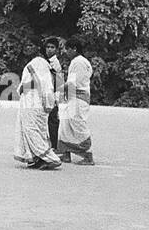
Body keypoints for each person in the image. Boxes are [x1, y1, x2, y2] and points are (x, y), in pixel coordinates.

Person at [13, 42, 61, 169]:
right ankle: (37, 158)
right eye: (26, 46)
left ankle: (50, 158)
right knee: (30, 129)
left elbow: (42, 83)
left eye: (31, 45)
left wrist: (24, 87)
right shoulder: (36, 62)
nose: (28, 48)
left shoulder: (39, 62)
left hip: (35, 102)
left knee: (32, 129)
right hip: (29, 100)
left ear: (37, 47)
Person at [57, 35, 94, 164]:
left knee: (77, 123)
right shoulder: (78, 61)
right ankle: (65, 153)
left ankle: (87, 154)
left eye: (67, 49)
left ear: (74, 49)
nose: (65, 52)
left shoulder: (79, 62)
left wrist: (58, 90)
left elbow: (74, 83)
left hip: (79, 98)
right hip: (72, 97)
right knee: (65, 124)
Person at [43, 37, 62, 150]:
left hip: (52, 95)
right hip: (46, 94)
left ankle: (55, 146)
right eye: (48, 47)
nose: (49, 50)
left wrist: (56, 99)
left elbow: (58, 82)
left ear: (56, 50)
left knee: (52, 121)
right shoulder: (45, 61)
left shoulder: (55, 64)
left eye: (52, 47)